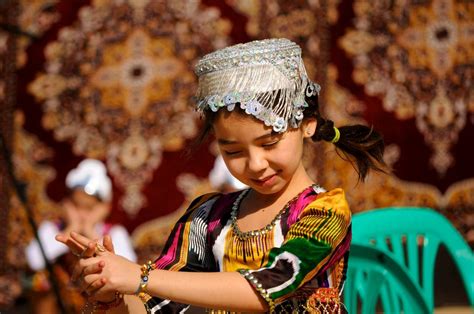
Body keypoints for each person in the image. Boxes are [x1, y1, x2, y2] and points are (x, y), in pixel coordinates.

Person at [56, 38, 387, 313]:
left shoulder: (324, 212)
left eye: (269, 143)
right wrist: (110, 289)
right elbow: (157, 306)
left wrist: (139, 277)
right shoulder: (207, 218)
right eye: (234, 152)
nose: (255, 164)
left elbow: (270, 285)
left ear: (307, 125)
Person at [25, 158, 136, 313]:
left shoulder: (114, 233)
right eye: (76, 206)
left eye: (89, 209)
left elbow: (128, 269)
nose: (82, 214)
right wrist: (70, 230)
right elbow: (34, 261)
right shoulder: (53, 229)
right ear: (66, 204)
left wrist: (91, 232)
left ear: (104, 209)